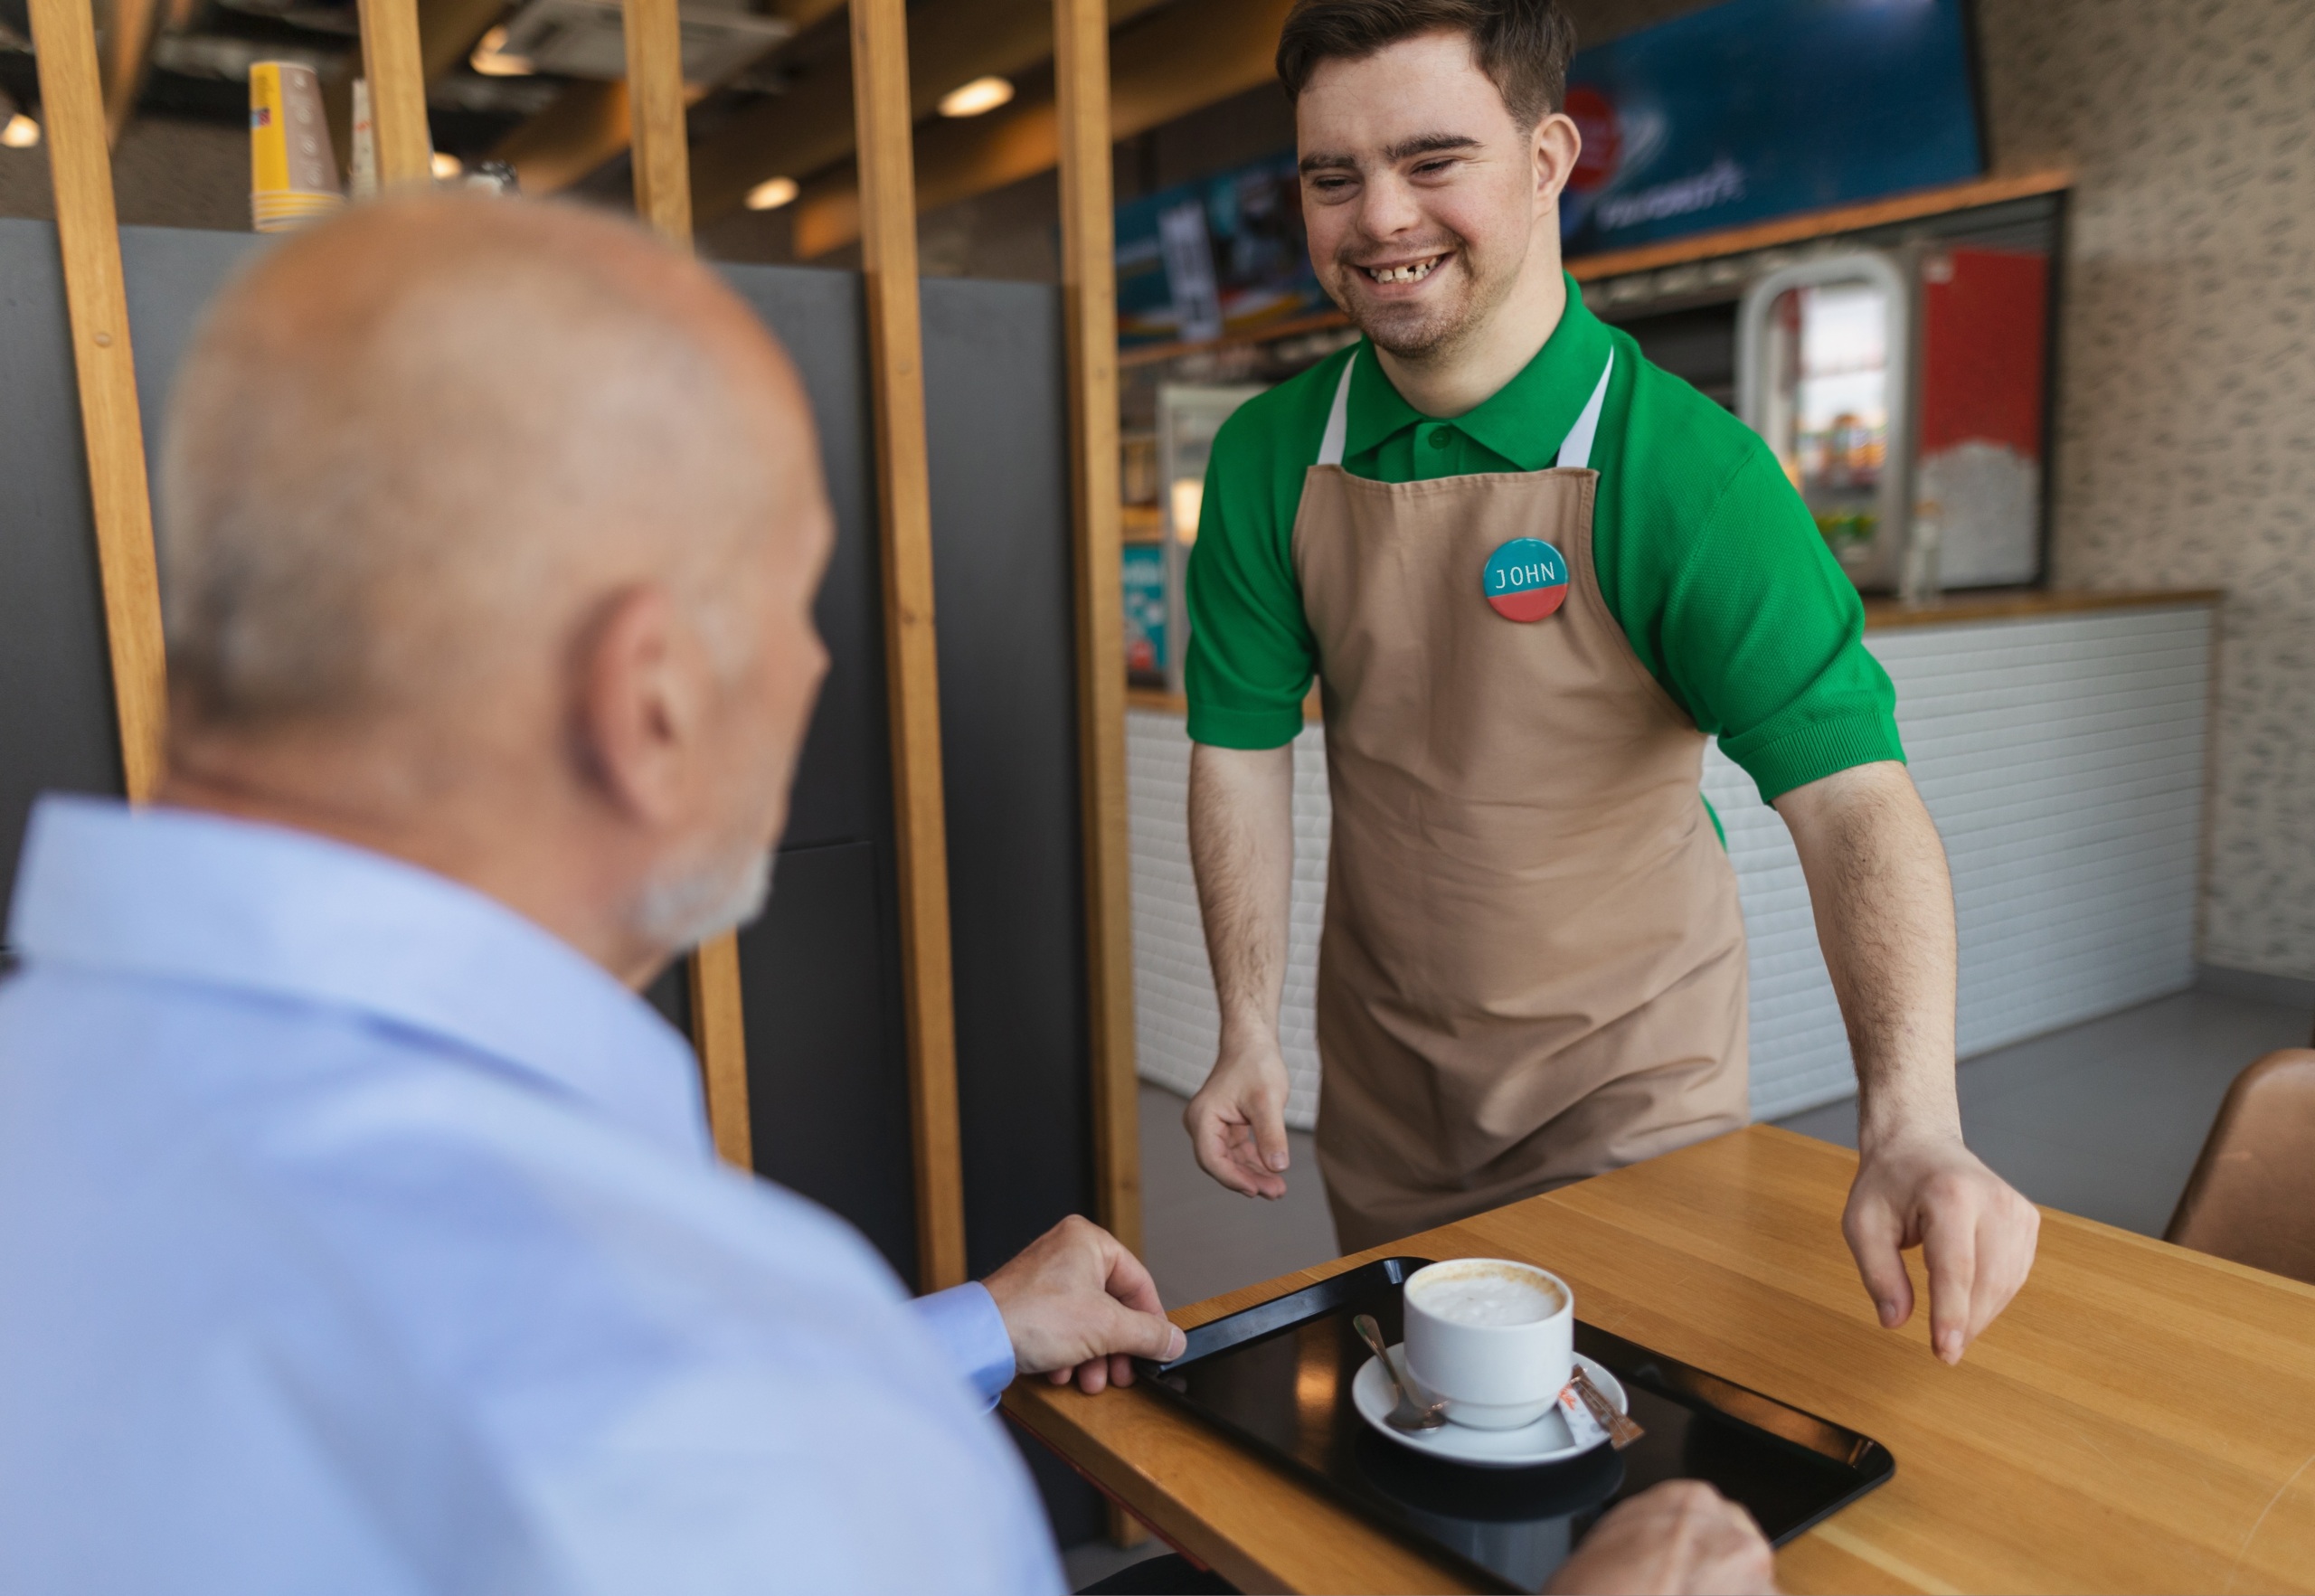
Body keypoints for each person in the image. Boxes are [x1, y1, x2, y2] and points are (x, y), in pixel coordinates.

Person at [0, 195, 1769, 1593]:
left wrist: (967, 1332)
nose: (815, 664)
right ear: (653, 697)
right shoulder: (745, 1422)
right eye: (794, 604)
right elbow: (680, 1446)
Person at [1182, 0, 2039, 1364]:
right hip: (1386, 1088)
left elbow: (1853, 803)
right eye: (1331, 177)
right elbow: (1237, 749)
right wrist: (1242, 1024)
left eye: (1431, 159)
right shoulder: (1270, 457)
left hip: (1633, 1091)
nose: (1378, 217)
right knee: (1426, 1452)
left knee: (1632, 1457)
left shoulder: (1691, 474)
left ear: (1547, 159)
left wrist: (1914, 1115)